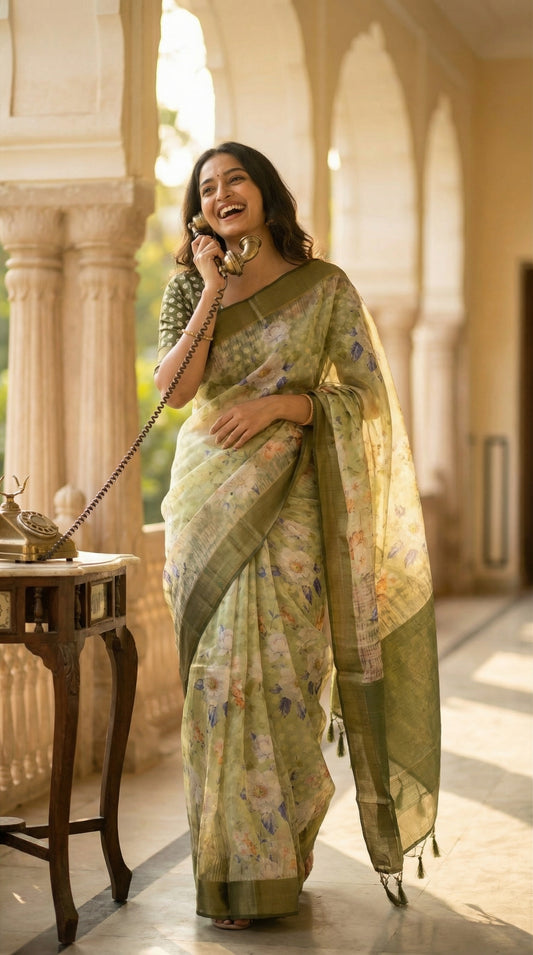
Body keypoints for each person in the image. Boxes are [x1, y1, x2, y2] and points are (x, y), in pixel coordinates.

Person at [154, 142, 440, 931]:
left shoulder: (325, 289)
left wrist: (285, 407)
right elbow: (176, 391)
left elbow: (367, 400)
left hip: (294, 517)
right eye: (206, 188)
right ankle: (229, 875)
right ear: (200, 212)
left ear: (264, 189)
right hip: (207, 505)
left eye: (234, 178)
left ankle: (277, 861)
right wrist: (212, 285)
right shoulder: (189, 285)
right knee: (217, 686)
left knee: (282, 687)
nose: (220, 194)